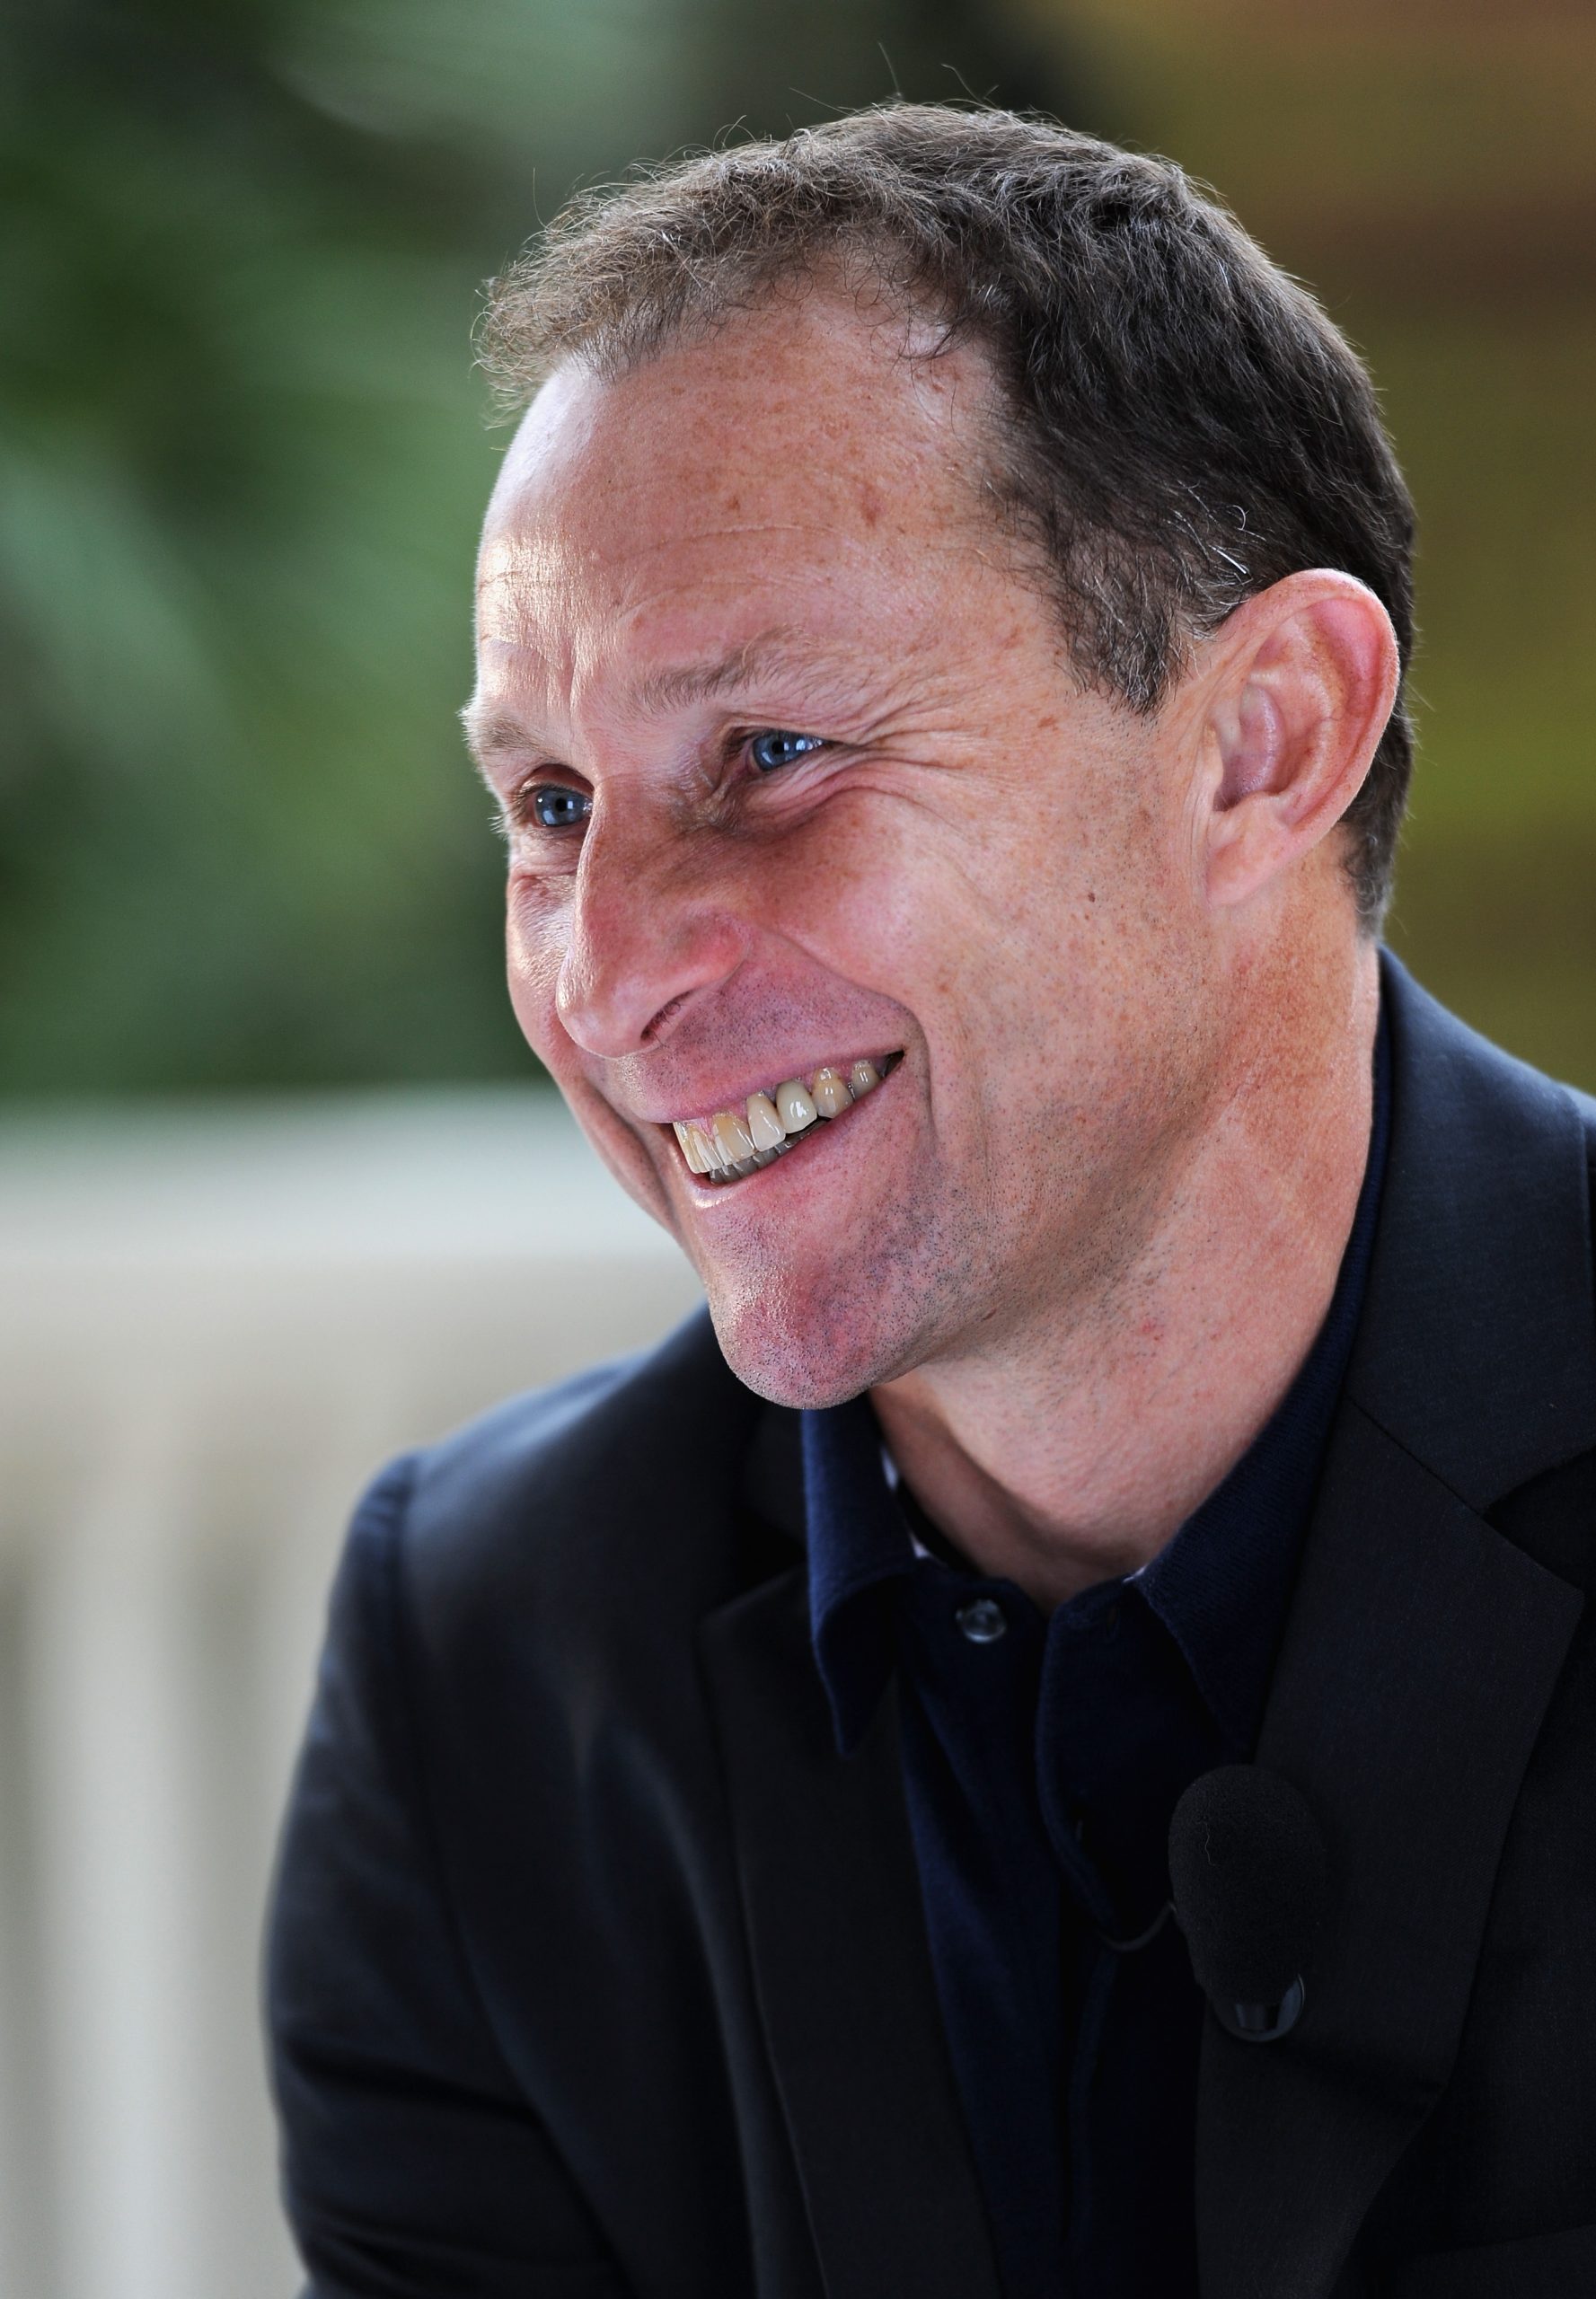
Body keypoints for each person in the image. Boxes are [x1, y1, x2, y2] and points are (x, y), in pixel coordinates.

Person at [266, 106, 1596, 2299]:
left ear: (1262, 741)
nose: (604, 972)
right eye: (552, 802)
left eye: (770, 754)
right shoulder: (488, 1658)